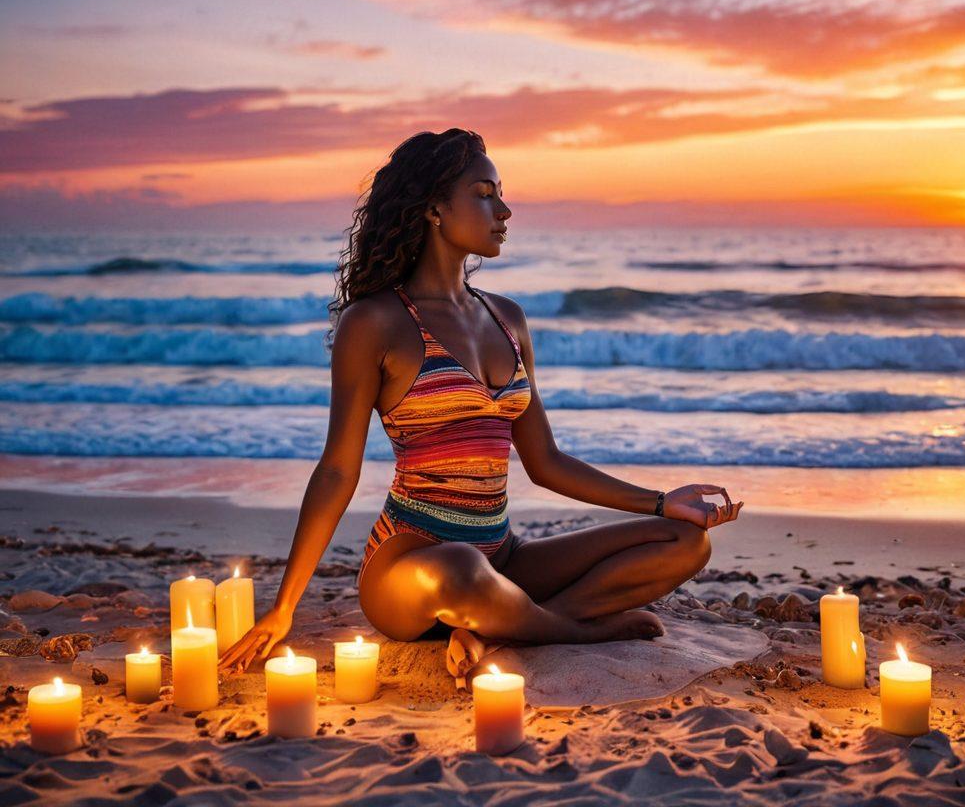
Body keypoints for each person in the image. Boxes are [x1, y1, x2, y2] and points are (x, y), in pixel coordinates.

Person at [217, 128, 744, 686]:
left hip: (501, 554)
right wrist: (284, 607)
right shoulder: (374, 323)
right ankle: (575, 629)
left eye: (500, 194)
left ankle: (504, 624)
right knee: (462, 569)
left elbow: (546, 463)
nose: (505, 210)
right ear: (434, 209)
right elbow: (338, 469)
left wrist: (663, 503)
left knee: (686, 542)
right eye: (485, 193)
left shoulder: (507, 318)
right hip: (411, 568)